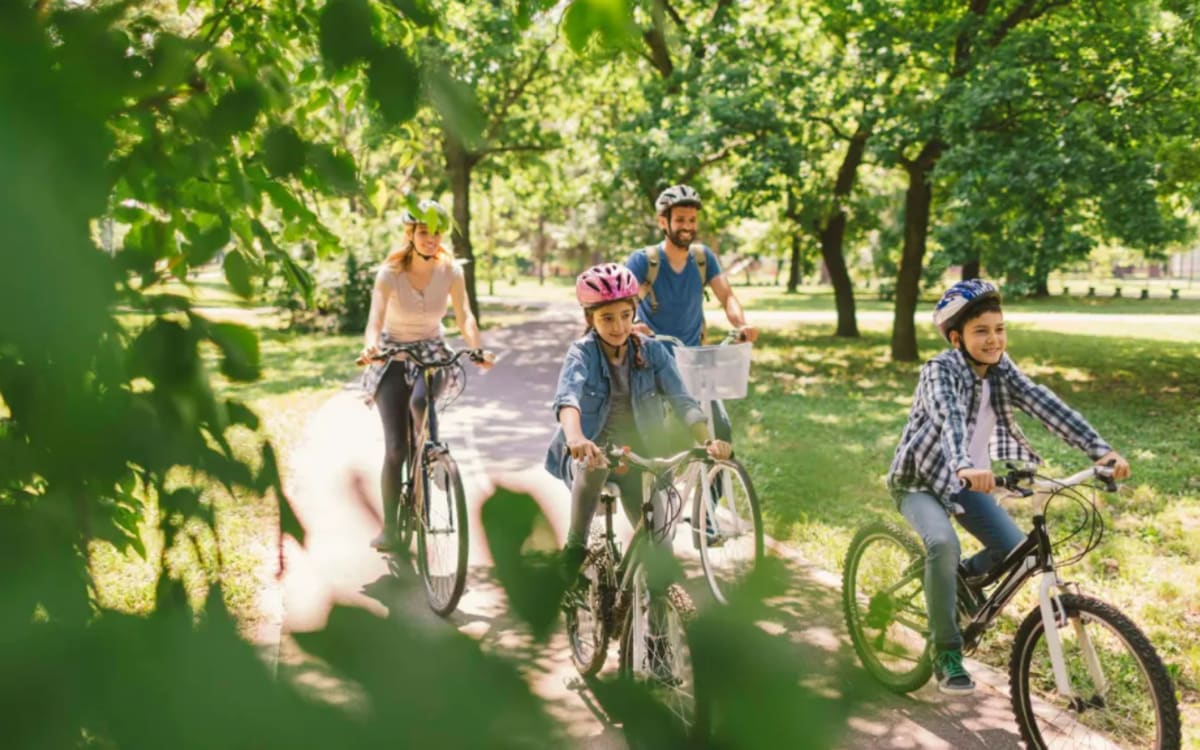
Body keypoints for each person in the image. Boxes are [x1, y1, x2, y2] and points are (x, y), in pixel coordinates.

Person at [886, 279, 1130, 695]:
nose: (994, 339)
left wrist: (1099, 451)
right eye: (981, 331)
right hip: (922, 481)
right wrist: (965, 464)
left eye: (999, 329)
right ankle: (946, 652)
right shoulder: (939, 371)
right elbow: (949, 419)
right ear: (956, 337)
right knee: (943, 544)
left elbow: (1044, 403)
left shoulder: (1002, 370)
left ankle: (954, 583)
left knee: (1015, 552)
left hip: (967, 481)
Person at [546, 263, 732, 582]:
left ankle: (657, 623)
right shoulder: (582, 353)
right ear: (590, 318)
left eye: (624, 315)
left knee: (660, 553)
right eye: (606, 318)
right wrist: (576, 438)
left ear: (634, 312)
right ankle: (575, 546)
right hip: (590, 451)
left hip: (637, 456)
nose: (618, 326)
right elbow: (568, 399)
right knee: (595, 463)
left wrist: (706, 440)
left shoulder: (653, 352)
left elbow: (682, 400)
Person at [361, 199, 491, 550]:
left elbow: (464, 316)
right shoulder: (390, 273)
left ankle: (431, 455)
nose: (431, 239)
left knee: (421, 402)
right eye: (423, 232)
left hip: (432, 351)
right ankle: (391, 528)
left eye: (436, 233)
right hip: (392, 355)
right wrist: (370, 347)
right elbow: (374, 319)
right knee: (395, 449)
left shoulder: (451, 271)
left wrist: (476, 347)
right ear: (411, 234)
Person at [625, 184, 758, 442]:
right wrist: (634, 324)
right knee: (660, 438)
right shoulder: (645, 261)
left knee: (720, 432)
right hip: (654, 362)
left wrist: (743, 325)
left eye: (692, 220)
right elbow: (626, 303)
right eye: (680, 220)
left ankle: (714, 481)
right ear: (664, 222)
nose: (687, 226)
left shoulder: (702, 258)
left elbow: (727, 296)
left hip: (694, 361)